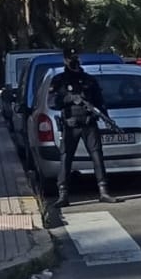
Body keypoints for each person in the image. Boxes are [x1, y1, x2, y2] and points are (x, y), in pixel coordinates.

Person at [46, 47, 116, 207]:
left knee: (97, 156)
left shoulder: (89, 80)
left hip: (89, 123)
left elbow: (99, 102)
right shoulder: (59, 80)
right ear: (65, 60)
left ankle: (103, 191)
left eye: (76, 58)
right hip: (70, 124)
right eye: (71, 58)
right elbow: (52, 102)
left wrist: (106, 118)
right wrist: (69, 99)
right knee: (66, 158)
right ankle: (63, 194)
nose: (74, 61)